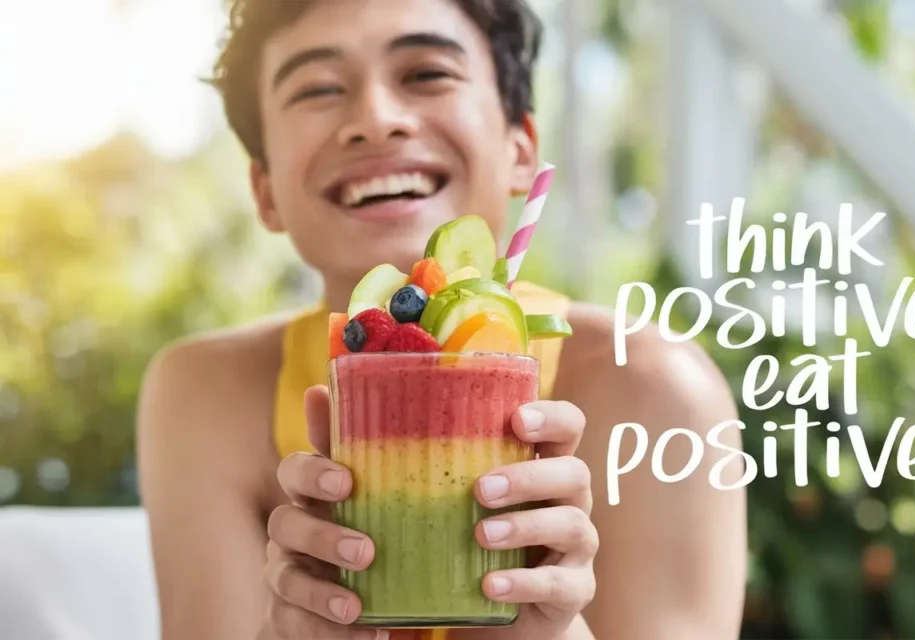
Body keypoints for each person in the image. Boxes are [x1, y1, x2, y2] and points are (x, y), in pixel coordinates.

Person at [136, 0, 747, 638]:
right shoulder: (204, 394)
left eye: (427, 74)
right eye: (318, 88)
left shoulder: (654, 386)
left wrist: (548, 633)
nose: (375, 120)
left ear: (521, 149)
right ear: (264, 191)